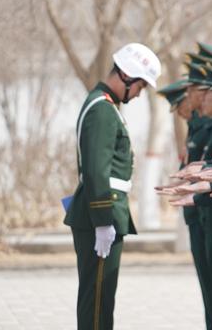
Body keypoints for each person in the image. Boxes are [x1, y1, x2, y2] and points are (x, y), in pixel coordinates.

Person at [64, 43, 161, 330]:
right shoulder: (102, 111)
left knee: (101, 298)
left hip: (102, 214)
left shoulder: (105, 105)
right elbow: (96, 171)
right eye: (141, 85)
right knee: (97, 300)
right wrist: (103, 221)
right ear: (127, 75)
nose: (140, 92)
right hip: (101, 217)